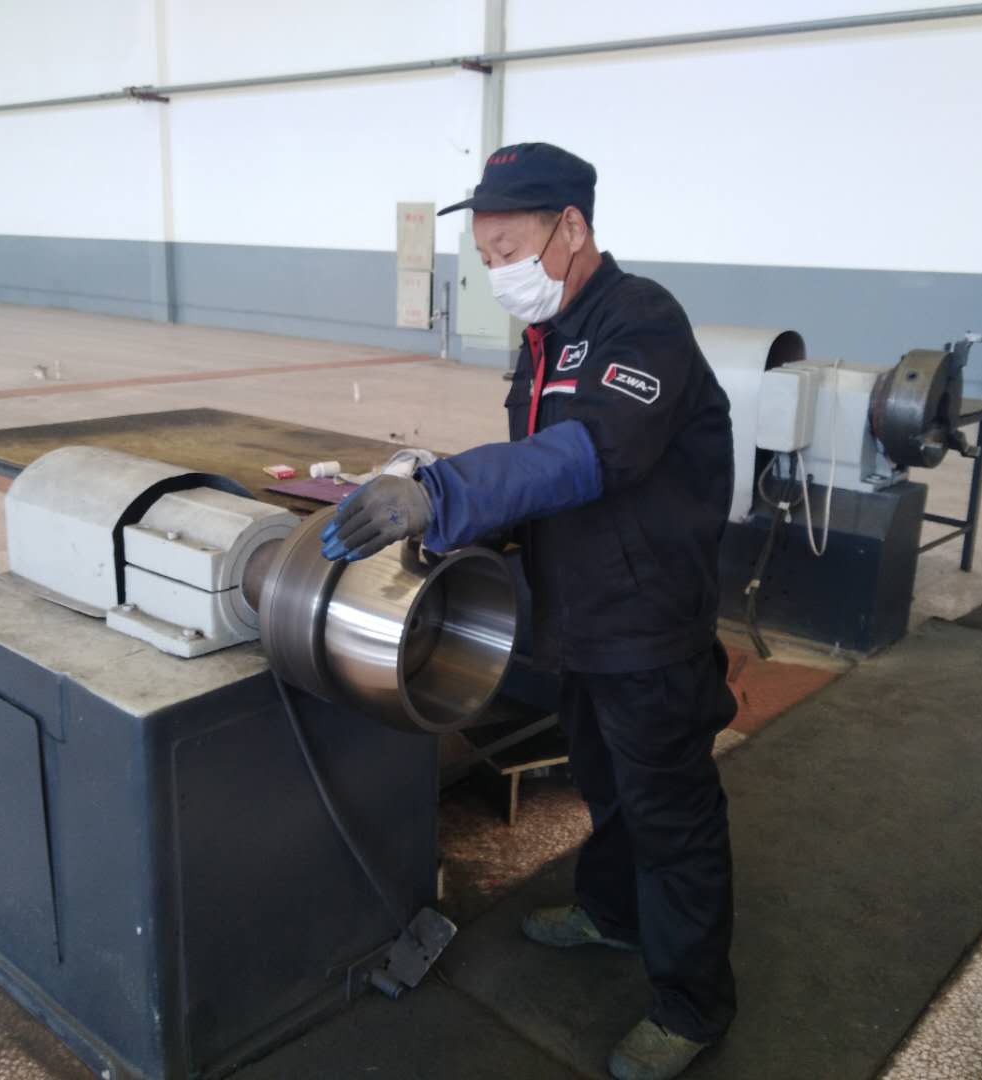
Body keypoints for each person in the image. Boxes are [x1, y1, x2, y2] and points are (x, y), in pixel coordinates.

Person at [321, 142, 738, 1080]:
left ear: (571, 227)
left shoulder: (641, 321)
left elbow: (591, 453)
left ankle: (692, 1004)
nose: (498, 273)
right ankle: (612, 912)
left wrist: (445, 492)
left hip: (646, 622)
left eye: (508, 251)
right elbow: (538, 474)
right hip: (575, 615)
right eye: (485, 258)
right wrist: (459, 521)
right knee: (604, 781)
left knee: (669, 814)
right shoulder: (546, 338)